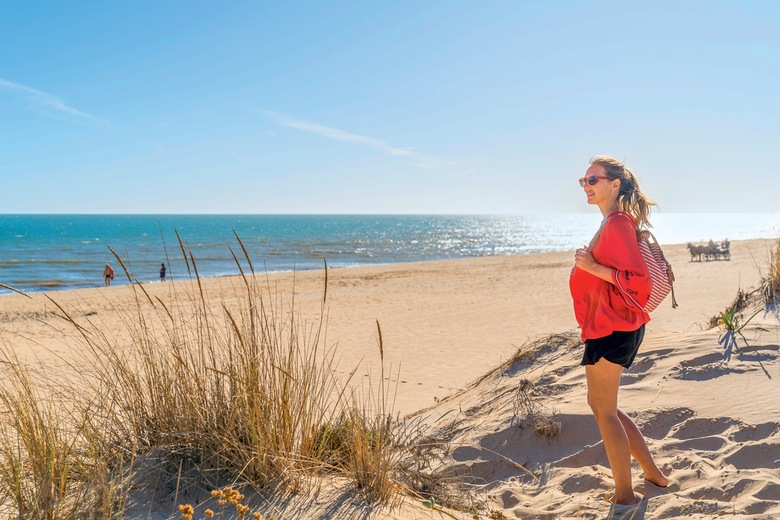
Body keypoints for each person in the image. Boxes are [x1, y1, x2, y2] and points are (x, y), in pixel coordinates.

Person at [570, 156, 669, 505]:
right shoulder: (613, 222)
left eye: (593, 179)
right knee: (601, 406)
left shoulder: (617, 224)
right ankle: (654, 475)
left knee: (604, 410)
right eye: (583, 180)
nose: (587, 186)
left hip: (614, 328)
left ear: (615, 184)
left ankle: (625, 495)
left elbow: (637, 280)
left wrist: (592, 266)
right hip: (612, 325)